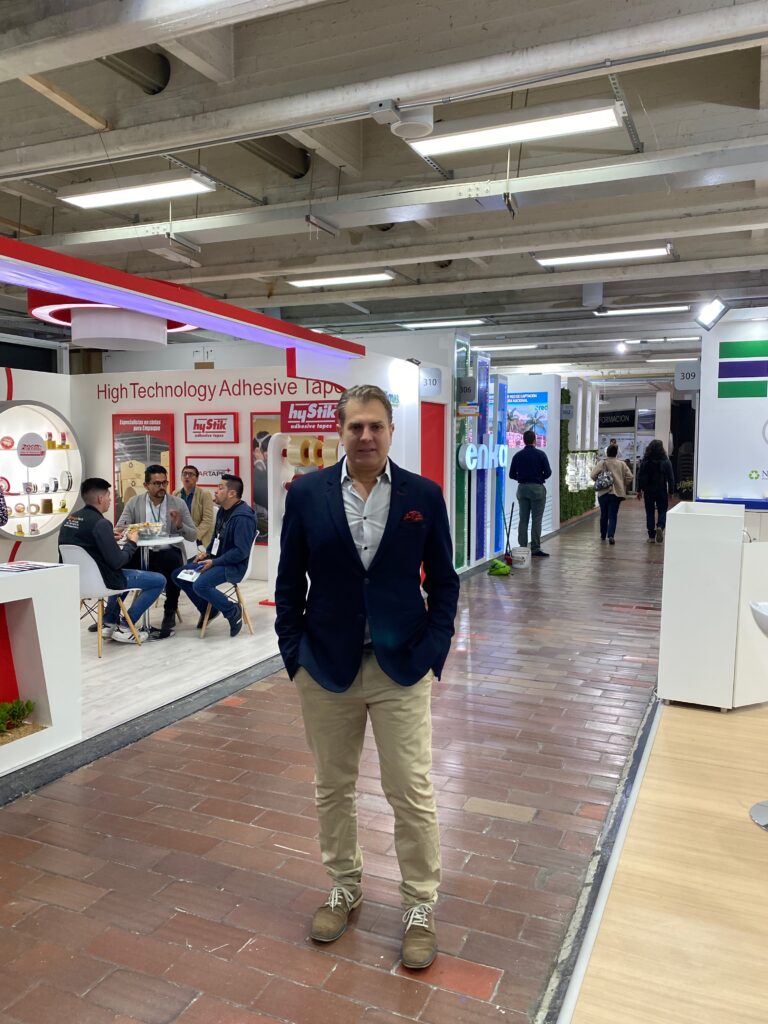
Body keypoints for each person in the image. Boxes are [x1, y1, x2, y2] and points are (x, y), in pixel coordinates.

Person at [275, 384, 459, 970]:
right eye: (355, 426)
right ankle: (344, 886)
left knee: (411, 789)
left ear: (390, 431)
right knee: (333, 786)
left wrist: (434, 647)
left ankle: (419, 904)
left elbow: (444, 581)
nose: (366, 436)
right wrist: (293, 654)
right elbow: (288, 582)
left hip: (400, 666)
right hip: (326, 667)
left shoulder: (422, 495)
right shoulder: (307, 494)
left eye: (376, 425)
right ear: (340, 431)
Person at [59, 477, 166, 645]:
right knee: (158, 580)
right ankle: (125, 626)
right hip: (104, 581)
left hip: (77, 581)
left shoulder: (69, 520)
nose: (110, 500)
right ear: (100, 498)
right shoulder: (101, 523)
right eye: (109, 496)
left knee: (121, 575)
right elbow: (118, 562)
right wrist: (132, 542)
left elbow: (85, 546)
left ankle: (109, 622)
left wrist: (108, 538)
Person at [116, 464, 197, 637]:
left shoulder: (178, 503)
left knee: (173, 563)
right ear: (146, 485)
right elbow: (120, 527)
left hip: (167, 550)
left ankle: (170, 611)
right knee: (120, 567)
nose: (162, 487)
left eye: (164, 483)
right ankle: (111, 615)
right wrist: (132, 530)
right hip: (140, 551)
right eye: (156, 483)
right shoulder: (134, 502)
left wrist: (179, 524)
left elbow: (193, 535)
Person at [172, 473, 256, 636]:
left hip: (234, 566)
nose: (215, 491)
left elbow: (241, 552)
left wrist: (214, 562)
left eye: (220, 488)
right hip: (217, 560)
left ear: (231, 493)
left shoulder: (243, 517)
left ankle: (232, 610)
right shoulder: (223, 511)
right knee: (179, 575)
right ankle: (208, 610)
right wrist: (207, 554)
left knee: (200, 585)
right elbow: (217, 538)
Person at [509, 428, 552, 557]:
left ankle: (522, 547)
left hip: (522, 489)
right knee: (536, 519)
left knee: (523, 519)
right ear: (534, 440)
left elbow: (511, 475)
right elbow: (548, 472)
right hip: (537, 489)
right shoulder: (541, 455)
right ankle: (535, 548)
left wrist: (522, 478)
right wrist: (539, 477)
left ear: (524, 441)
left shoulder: (517, 455)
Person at [591, 444, 633, 545]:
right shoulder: (622, 464)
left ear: (607, 453)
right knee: (613, 515)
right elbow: (630, 477)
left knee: (603, 514)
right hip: (616, 493)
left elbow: (592, 475)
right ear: (616, 453)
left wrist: (599, 480)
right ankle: (611, 535)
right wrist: (622, 483)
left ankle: (603, 534)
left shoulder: (602, 463)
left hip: (603, 493)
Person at [637, 439, 675, 543]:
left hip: (648, 491)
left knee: (649, 512)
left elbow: (640, 476)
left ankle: (651, 536)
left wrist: (639, 490)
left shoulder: (645, 460)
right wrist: (671, 492)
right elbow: (671, 478)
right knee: (662, 510)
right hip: (661, 490)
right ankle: (660, 527)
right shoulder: (665, 461)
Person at [174, 464, 215, 547]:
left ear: (197, 478)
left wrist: (195, 535)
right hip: (180, 536)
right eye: (184, 474)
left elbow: (208, 519)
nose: (187, 476)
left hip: (199, 539)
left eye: (190, 474)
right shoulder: (176, 493)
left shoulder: (204, 494)